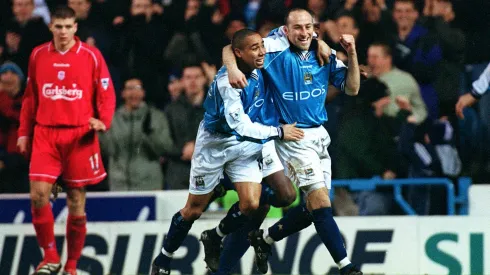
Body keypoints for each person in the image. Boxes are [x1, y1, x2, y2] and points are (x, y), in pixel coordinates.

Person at [150, 29, 304, 275]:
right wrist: (279, 132)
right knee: (194, 210)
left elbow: (240, 45)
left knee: (253, 203)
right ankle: (163, 259)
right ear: (239, 54)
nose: (262, 51)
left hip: (247, 144)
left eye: (261, 46)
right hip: (215, 145)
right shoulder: (227, 83)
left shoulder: (259, 61)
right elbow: (239, 126)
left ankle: (215, 235)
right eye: (254, 48)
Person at [223, 8, 362, 275]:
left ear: (315, 28)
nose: (304, 32)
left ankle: (264, 239)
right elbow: (232, 49)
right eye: (297, 27)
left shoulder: (325, 53)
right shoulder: (274, 48)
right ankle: (347, 267)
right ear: (286, 30)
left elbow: (352, 88)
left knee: (312, 209)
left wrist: (352, 54)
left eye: (308, 27)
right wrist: (232, 69)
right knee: (319, 203)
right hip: (290, 135)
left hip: (320, 135)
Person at [16, 6, 115, 275]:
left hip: (79, 135)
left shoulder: (91, 56)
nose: (62, 32)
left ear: (75, 27)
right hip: (46, 133)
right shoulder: (37, 55)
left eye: (67, 26)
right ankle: (50, 256)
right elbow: (30, 97)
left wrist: (103, 120)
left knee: (75, 201)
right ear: (51, 27)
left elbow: (107, 92)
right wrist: (24, 132)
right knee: (38, 196)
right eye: (58, 26)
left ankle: (71, 265)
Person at [99, 78, 175, 191]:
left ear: (143, 93)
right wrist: (100, 132)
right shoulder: (113, 119)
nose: (133, 93)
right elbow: (108, 150)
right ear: (123, 93)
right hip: (119, 185)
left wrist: (150, 134)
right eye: (129, 89)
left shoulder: (156, 117)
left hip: (149, 184)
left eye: (137, 88)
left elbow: (165, 148)